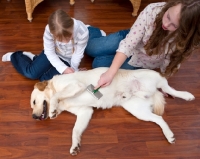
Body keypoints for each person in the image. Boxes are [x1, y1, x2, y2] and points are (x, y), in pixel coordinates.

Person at [85, 0, 200, 89]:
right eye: (168, 16)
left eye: (173, 25)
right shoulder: (152, 11)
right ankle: (93, 31)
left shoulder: (186, 41)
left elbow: (172, 61)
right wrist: (110, 73)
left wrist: (163, 83)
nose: (165, 23)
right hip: (130, 39)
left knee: (98, 63)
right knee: (91, 48)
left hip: (141, 61)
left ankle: (107, 50)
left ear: (185, 31)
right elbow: (128, 44)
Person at [2, 9, 91, 81]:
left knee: (44, 80)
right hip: (52, 54)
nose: (66, 42)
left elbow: (78, 54)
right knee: (31, 74)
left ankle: (35, 59)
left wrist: (74, 69)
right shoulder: (49, 30)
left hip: (67, 60)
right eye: (60, 40)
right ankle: (16, 56)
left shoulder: (82, 32)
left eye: (68, 38)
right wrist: (63, 69)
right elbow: (49, 52)